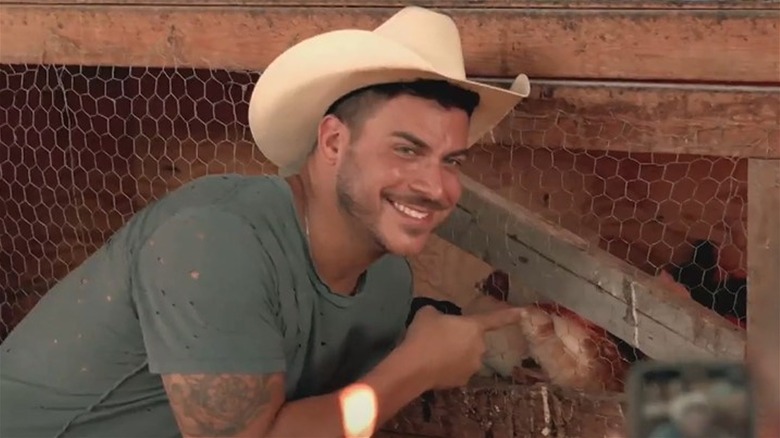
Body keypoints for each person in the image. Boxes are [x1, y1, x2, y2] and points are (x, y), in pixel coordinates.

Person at [0, 6, 532, 437]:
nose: (437, 188)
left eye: (451, 162)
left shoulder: (388, 283)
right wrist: (418, 366)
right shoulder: (216, 239)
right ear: (333, 142)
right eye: (406, 150)